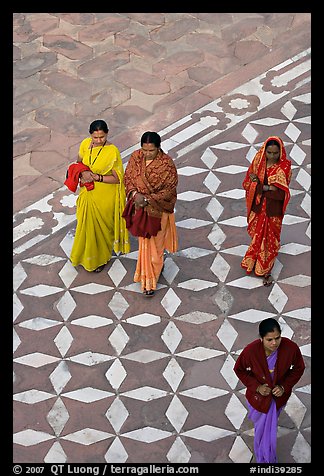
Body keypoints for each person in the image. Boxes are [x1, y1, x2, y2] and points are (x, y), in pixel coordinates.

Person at [233, 318, 305, 463]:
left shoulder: (290, 348)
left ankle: (265, 457)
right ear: (261, 339)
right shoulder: (251, 351)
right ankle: (265, 459)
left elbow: (299, 368)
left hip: (278, 398)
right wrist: (257, 387)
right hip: (258, 399)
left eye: (277, 338)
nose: (274, 343)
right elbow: (239, 369)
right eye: (269, 339)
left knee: (267, 428)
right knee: (262, 429)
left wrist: (284, 386)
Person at [68, 119, 130, 272]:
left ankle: (101, 259)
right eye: (95, 137)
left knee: (102, 229)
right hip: (88, 192)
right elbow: (78, 162)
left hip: (105, 195)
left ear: (107, 134)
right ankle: (85, 256)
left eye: (101, 137)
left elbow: (117, 179)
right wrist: (83, 172)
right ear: (90, 135)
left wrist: (96, 177)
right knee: (86, 225)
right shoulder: (85, 144)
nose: (98, 140)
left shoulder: (112, 151)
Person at [123, 131, 178, 297]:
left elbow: (169, 190)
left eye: (150, 151)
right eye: (144, 150)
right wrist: (134, 194)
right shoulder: (136, 157)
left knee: (156, 247)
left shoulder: (166, 164)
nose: (146, 154)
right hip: (140, 210)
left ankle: (152, 276)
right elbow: (128, 178)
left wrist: (146, 200)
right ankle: (147, 278)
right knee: (144, 245)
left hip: (158, 211)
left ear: (158, 148)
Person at [241, 136, 291, 286]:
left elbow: (281, 194)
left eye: (275, 153)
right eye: (269, 152)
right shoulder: (258, 163)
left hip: (272, 210)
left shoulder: (284, 168)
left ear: (280, 152)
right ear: (265, 151)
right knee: (257, 236)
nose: (272, 156)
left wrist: (261, 187)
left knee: (270, 240)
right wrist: (266, 187)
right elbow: (247, 183)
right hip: (259, 207)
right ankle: (254, 261)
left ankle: (265, 268)